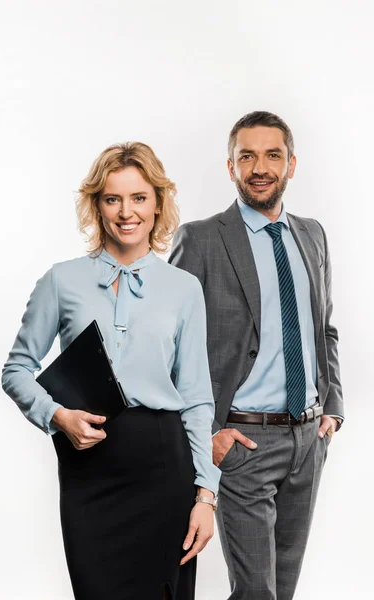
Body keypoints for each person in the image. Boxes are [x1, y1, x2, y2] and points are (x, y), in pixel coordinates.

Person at [1, 142, 221, 600]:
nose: (127, 212)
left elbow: (197, 398)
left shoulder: (184, 288)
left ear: (158, 202)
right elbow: (17, 369)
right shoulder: (61, 280)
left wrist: (205, 496)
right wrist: (57, 416)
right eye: (112, 198)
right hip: (89, 469)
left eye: (139, 197)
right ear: (97, 205)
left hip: (164, 466)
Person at [169, 111, 343, 600]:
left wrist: (332, 410)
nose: (260, 167)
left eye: (272, 155)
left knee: (281, 591)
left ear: (292, 164)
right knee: (256, 595)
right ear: (231, 167)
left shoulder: (312, 234)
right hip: (243, 444)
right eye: (247, 156)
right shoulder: (201, 239)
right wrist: (208, 435)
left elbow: (323, 328)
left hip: (308, 441)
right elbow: (171, 348)